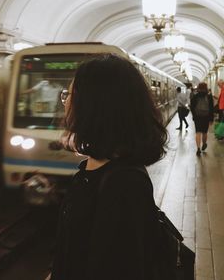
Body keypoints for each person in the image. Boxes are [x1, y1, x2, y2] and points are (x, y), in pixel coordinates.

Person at [51, 54, 168, 280]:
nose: (65, 103)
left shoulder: (124, 184)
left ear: (95, 108)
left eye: (69, 96)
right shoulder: (95, 168)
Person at [190, 82, 214, 155]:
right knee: (204, 132)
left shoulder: (195, 96)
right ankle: (204, 144)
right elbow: (211, 108)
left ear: (198, 88)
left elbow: (192, 107)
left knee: (198, 132)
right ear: (206, 88)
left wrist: (194, 116)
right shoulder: (209, 96)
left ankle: (198, 149)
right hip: (206, 117)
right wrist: (211, 118)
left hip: (197, 117)